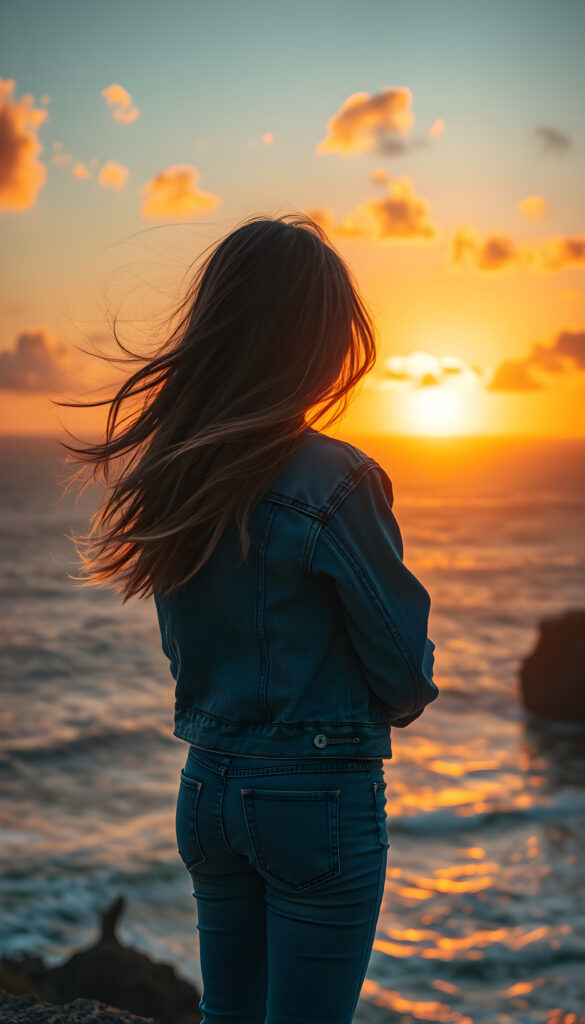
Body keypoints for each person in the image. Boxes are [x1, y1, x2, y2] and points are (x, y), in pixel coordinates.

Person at [55, 212, 439, 1023]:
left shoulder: (175, 474)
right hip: (315, 794)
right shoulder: (336, 481)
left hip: (206, 788)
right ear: (317, 343)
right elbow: (403, 671)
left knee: (226, 1014)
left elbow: (182, 647)